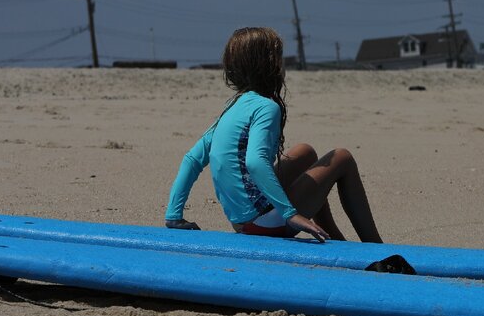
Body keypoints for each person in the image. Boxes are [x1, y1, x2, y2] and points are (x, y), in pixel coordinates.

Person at [164, 27, 383, 243]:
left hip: (241, 221)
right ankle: (375, 246)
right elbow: (255, 161)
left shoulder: (232, 107)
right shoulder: (266, 107)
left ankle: (334, 238)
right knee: (342, 157)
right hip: (264, 223)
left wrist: (174, 216)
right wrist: (291, 214)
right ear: (270, 64)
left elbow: (192, 159)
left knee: (304, 153)